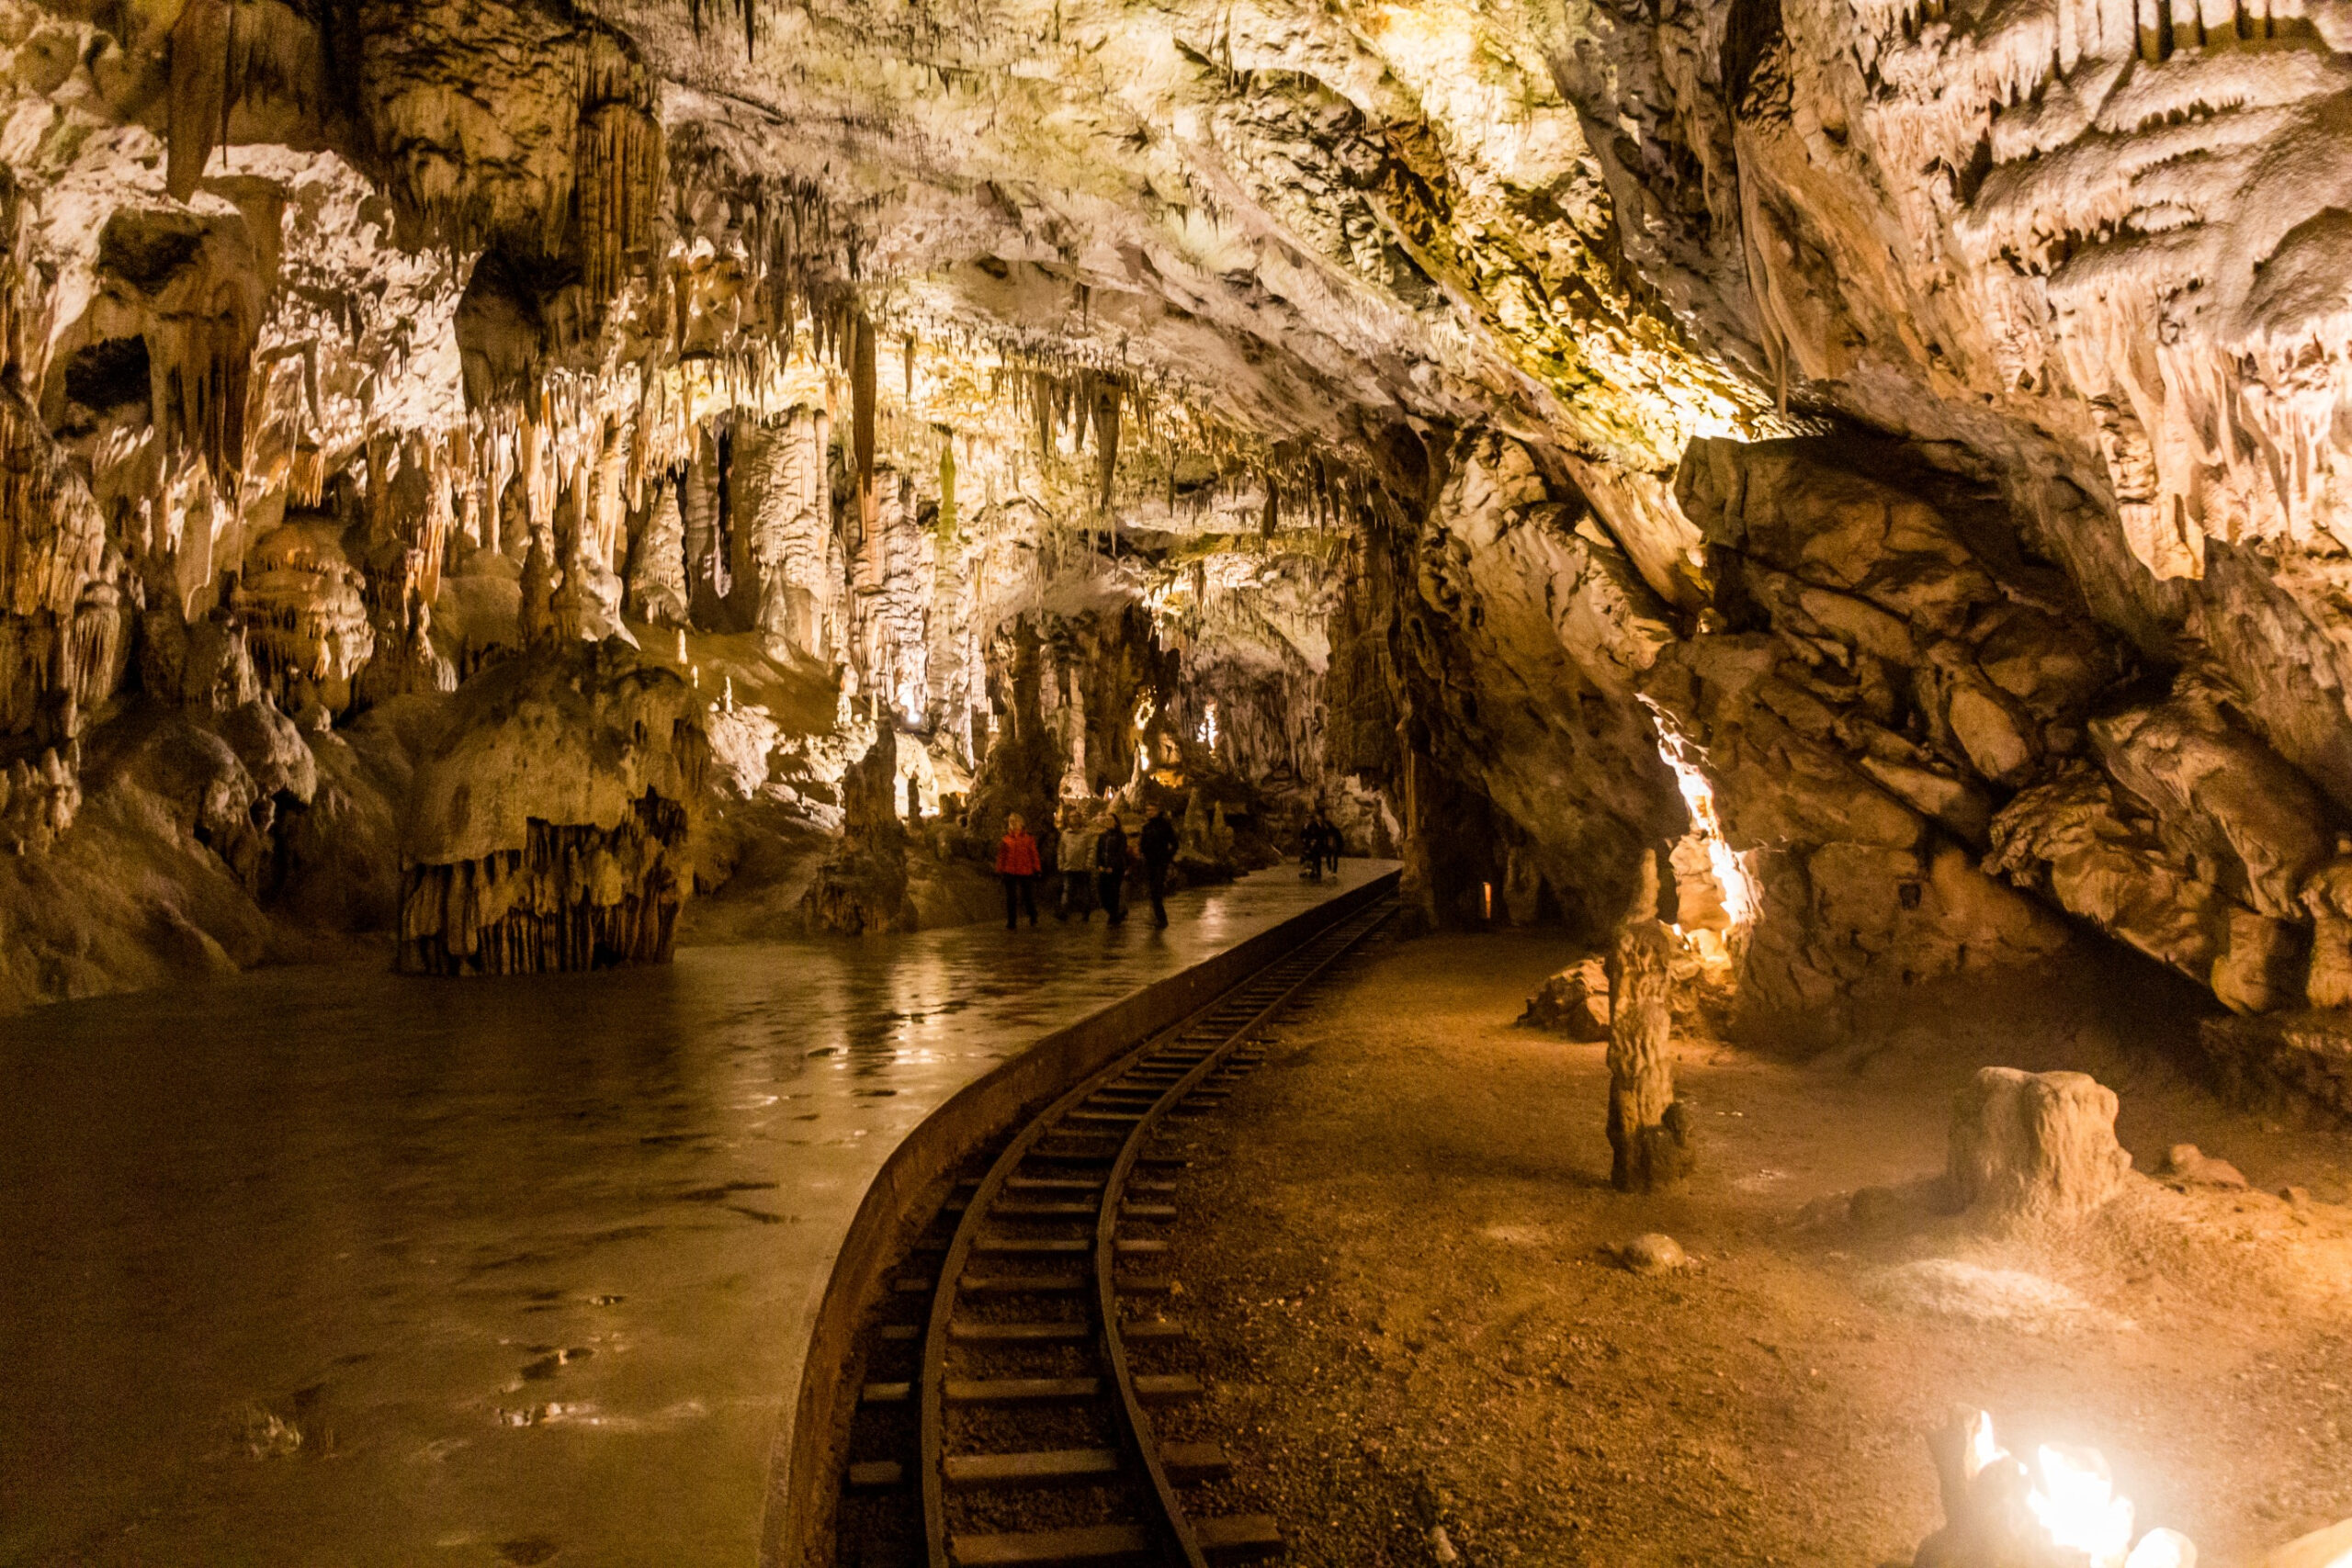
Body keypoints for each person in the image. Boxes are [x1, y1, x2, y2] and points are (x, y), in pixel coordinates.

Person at [995, 812, 1040, 929]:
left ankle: (1033, 915)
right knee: (1011, 898)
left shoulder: (1028, 839)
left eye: (1015, 821)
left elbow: (1033, 854)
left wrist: (1037, 868)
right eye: (1011, 821)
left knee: (1027, 896)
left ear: (1021, 823)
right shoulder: (1006, 840)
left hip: (1025, 870)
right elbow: (1002, 856)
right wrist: (1000, 869)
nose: (1013, 823)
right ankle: (1011, 922)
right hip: (1010, 871)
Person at [1056, 802, 1096, 920]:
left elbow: (1091, 849)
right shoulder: (1065, 834)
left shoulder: (1086, 834)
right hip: (1068, 867)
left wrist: (1088, 862)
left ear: (1079, 819)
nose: (1073, 819)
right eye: (1071, 817)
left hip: (1082, 867)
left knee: (1083, 891)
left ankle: (1085, 913)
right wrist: (1060, 863)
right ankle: (1063, 912)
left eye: (1075, 817)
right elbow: (1061, 850)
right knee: (1067, 890)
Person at [1139, 803, 1178, 928]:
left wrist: (1167, 857)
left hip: (1160, 863)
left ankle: (1161, 919)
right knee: (1153, 891)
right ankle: (1158, 917)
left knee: (1156, 891)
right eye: (1147, 810)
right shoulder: (1147, 827)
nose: (1149, 812)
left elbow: (1174, 843)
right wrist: (1143, 852)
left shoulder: (1164, 826)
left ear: (1157, 810)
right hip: (1150, 862)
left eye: (1151, 810)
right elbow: (1143, 843)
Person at [1093, 809, 1129, 925]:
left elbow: (1120, 852)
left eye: (1110, 820)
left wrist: (1112, 866)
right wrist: (1099, 865)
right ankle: (1115, 913)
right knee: (1103, 892)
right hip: (1103, 868)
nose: (1107, 822)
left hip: (1116, 869)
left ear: (1116, 822)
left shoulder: (1121, 836)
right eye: (1106, 820)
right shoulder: (1103, 836)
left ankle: (1114, 916)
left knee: (1114, 892)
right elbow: (1099, 851)